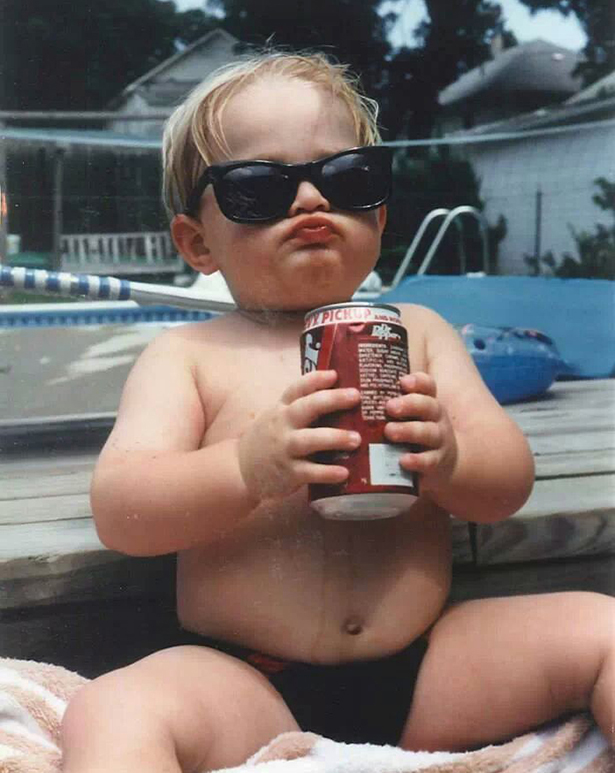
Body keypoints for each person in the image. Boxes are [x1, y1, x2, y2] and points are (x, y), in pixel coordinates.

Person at [61, 51, 614, 772]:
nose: (309, 201)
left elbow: (507, 484)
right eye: (257, 189)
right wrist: (245, 466)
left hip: (425, 666)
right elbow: (123, 511)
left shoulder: (419, 331)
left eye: (347, 178)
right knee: (115, 708)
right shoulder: (187, 355)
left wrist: (449, 458)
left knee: (605, 628)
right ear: (197, 242)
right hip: (247, 681)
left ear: (377, 216)